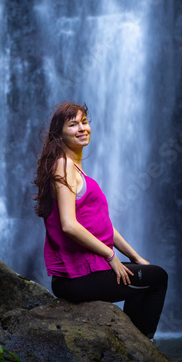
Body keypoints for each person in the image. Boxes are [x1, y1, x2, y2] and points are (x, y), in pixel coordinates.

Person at [34, 101, 168, 338]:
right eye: (73, 124)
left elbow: (104, 227)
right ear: (59, 133)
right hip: (78, 278)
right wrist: (111, 256)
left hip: (84, 274)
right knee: (157, 279)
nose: (82, 128)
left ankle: (133, 344)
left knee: (146, 274)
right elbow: (69, 224)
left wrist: (134, 257)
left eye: (84, 122)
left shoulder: (75, 169)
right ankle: (140, 348)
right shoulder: (63, 167)